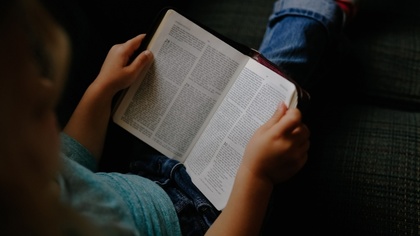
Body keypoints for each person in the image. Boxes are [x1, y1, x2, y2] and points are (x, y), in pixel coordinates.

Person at [0, 0, 355, 235]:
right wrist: (256, 175)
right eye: (39, 110)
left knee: (246, 85)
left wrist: (101, 91)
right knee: (279, 79)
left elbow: (74, 156)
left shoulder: (32, 174)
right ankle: (314, 10)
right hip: (204, 216)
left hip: (144, 172)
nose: (53, 119)